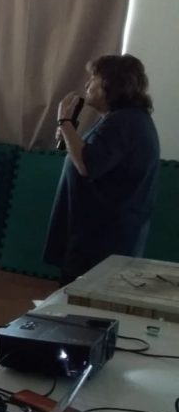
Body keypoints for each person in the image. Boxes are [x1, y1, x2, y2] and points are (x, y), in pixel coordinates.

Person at [44, 54, 159, 285]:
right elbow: (92, 155)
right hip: (98, 233)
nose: (87, 84)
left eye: (94, 77)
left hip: (101, 239)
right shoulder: (122, 119)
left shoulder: (123, 122)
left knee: (80, 298)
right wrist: (69, 136)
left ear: (112, 83)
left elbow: (87, 164)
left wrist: (65, 122)